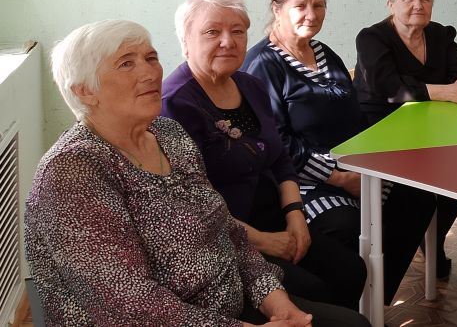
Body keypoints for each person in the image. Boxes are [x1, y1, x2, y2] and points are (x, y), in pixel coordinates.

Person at [26, 19, 367, 326]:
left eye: (151, 58)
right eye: (127, 63)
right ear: (84, 90)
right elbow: (128, 304)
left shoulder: (168, 134)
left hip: (228, 300)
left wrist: (276, 302)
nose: (150, 72)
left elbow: (225, 229)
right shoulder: (73, 169)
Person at [162, 0, 366, 310]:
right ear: (185, 40)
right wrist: (264, 241)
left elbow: (280, 158)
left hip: (274, 212)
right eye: (212, 32)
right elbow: (191, 204)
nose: (228, 41)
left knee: (350, 270)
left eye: (237, 31)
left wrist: (295, 214)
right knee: (314, 290)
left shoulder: (250, 85)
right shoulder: (174, 105)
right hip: (224, 235)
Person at [244, 0, 436, 303]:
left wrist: (368, 165)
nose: (312, 14)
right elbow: (278, 144)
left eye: (319, 5)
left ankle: (373, 300)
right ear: (277, 9)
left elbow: (355, 114)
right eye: (301, 6)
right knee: (347, 223)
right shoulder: (263, 65)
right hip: (302, 182)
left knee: (417, 199)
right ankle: (347, 306)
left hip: (352, 167)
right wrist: (340, 178)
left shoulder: (324, 53)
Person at [354, 0, 457, 278]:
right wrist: (447, 92)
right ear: (391, 4)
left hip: (430, 127)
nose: (418, 5)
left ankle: (433, 240)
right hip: (380, 129)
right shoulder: (371, 38)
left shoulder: (439, 34)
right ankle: (387, 270)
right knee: (416, 193)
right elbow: (389, 87)